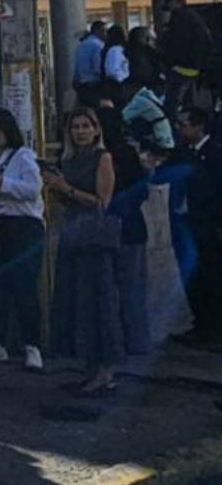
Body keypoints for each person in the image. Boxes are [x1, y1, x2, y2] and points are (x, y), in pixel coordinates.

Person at [43, 108, 121, 396]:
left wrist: (66, 187)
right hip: (73, 234)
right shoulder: (71, 158)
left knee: (98, 301)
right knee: (77, 302)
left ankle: (104, 370)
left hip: (94, 239)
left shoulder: (103, 158)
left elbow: (101, 201)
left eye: (86, 126)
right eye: (75, 126)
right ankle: (90, 368)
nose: (80, 131)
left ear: (96, 129)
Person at [0, 107, 45, 371]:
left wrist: (2, 182)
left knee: (24, 286)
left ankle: (32, 344)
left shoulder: (23, 157)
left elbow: (33, 190)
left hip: (23, 225)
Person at [100, 105, 152, 355]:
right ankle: (137, 343)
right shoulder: (128, 153)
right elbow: (143, 191)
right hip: (132, 226)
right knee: (133, 290)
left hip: (111, 227)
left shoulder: (103, 156)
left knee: (111, 293)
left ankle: (117, 344)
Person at [172, 107, 222, 347]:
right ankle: (201, 323)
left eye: (184, 124)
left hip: (207, 226)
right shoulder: (184, 153)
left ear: (198, 126)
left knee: (209, 278)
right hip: (186, 224)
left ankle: (212, 328)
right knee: (192, 278)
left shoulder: (214, 154)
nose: (179, 129)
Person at [122, 81, 174, 150]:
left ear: (132, 88)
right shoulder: (149, 96)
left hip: (158, 142)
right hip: (164, 139)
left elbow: (122, 117)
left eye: (125, 89)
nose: (124, 93)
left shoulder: (140, 100)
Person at [73, 20, 107, 108]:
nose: (106, 34)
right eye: (104, 31)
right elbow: (98, 68)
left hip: (83, 86)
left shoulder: (81, 45)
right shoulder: (98, 46)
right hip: (95, 85)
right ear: (97, 31)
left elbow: (76, 68)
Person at [125, 25, 163, 95]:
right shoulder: (146, 54)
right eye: (152, 38)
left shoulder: (129, 52)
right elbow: (146, 75)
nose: (155, 40)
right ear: (146, 39)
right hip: (148, 90)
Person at [99, 24, 129, 107]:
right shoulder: (115, 50)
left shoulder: (114, 49)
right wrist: (124, 78)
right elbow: (113, 71)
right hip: (117, 87)